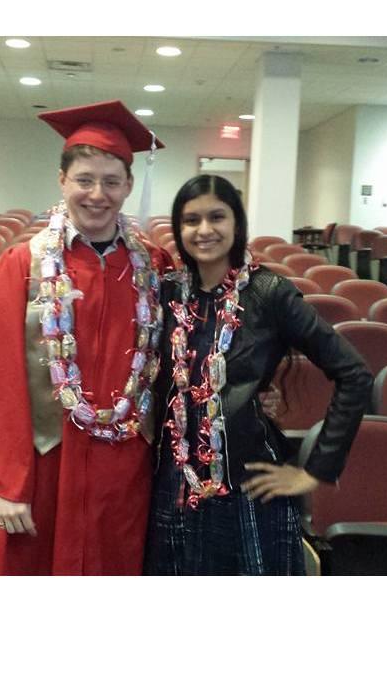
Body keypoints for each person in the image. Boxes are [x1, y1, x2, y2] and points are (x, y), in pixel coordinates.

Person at [0, 100, 171, 575]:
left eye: (111, 182)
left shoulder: (154, 267)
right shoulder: (23, 265)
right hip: (44, 465)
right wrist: (8, 482)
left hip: (124, 472)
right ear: (62, 181)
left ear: (128, 186)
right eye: (84, 180)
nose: (98, 194)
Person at [144, 174, 373, 575]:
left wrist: (314, 470)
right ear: (178, 230)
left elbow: (354, 374)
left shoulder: (270, 293)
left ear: (237, 223)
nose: (204, 230)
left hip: (248, 489)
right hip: (174, 487)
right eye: (191, 220)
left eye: (217, 217)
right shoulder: (164, 294)